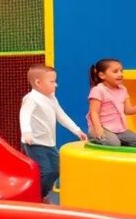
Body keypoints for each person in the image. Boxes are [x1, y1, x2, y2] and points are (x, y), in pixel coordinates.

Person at [19, 64, 87, 201]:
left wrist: (76, 130)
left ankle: (39, 195)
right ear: (38, 83)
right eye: (52, 82)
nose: (56, 85)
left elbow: (61, 115)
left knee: (57, 169)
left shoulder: (51, 98)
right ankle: (37, 197)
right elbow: (24, 115)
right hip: (34, 142)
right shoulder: (31, 98)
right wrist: (26, 132)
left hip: (49, 143)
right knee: (46, 171)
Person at [86, 58, 136, 147]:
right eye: (115, 72)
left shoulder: (123, 89)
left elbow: (127, 110)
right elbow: (94, 112)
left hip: (119, 129)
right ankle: (95, 137)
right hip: (102, 127)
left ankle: (114, 139)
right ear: (102, 75)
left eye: (121, 71)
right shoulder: (98, 90)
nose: (120, 74)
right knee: (113, 143)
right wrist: (98, 128)